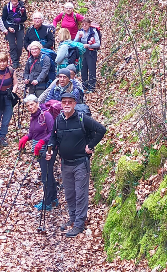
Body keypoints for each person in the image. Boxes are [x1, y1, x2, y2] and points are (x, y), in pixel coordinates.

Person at [46, 89, 105, 237]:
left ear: (74, 104)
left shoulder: (82, 118)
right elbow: (53, 137)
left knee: (80, 194)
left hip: (80, 163)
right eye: (64, 102)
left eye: (69, 102)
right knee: (69, 194)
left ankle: (79, 224)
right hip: (65, 163)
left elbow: (101, 130)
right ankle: (72, 219)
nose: (66, 104)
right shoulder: (58, 120)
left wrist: (90, 146)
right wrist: (50, 149)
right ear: (61, 104)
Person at [18, 95, 57, 210]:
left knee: (46, 175)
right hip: (38, 149)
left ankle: (47, 202)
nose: (30, 107)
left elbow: (53, 132)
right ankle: (53, 199)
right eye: (28, 106)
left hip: (49, 148)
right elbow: (33, 133)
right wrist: (26, 138)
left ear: (37, 103)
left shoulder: (46, 115)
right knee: (48, 173)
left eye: (32, 104)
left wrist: (42, 141)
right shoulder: (33, 117)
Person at [2, 0, 28, 69]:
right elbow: (3, 19)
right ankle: (15, 62)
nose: (14, 0)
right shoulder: (6, 7)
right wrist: (8, 27)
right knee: (12, 46)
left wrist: (20, 19)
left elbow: (25, 18)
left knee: (20, 46)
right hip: (10, 29)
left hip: (19, 28)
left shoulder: (22, 8)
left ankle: (17, 59)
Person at [74, 18, 100, 91]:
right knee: (83, 69)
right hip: (82, 52)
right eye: (83, 24)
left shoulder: (93, 32)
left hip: (91, 53)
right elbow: (74, 42)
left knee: (91, 69)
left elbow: (98, 44)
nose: (84, 26)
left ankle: (91, 86)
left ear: (89, 25)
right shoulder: (80, 32)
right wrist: (79, 37)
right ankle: (84, 85)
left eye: (86, 24)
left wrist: (88, 45)